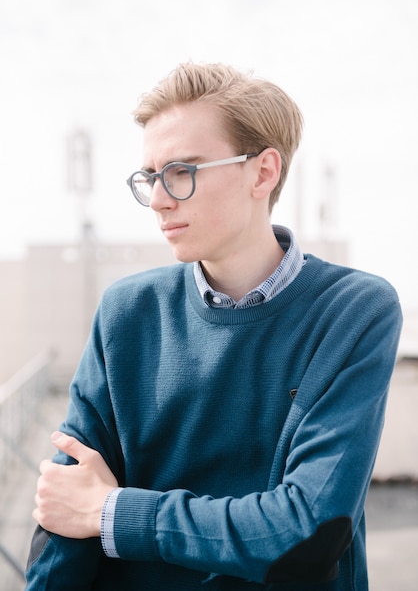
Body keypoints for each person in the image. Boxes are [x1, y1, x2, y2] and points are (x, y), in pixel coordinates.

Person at [26, 62, 402, 590]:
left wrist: (113, 512)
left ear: (263, 172)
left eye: (182, 171)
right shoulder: (126, 312)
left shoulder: (353, 309)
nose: (158, 199)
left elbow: (308, 534)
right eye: (149, 178)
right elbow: (65, 510)